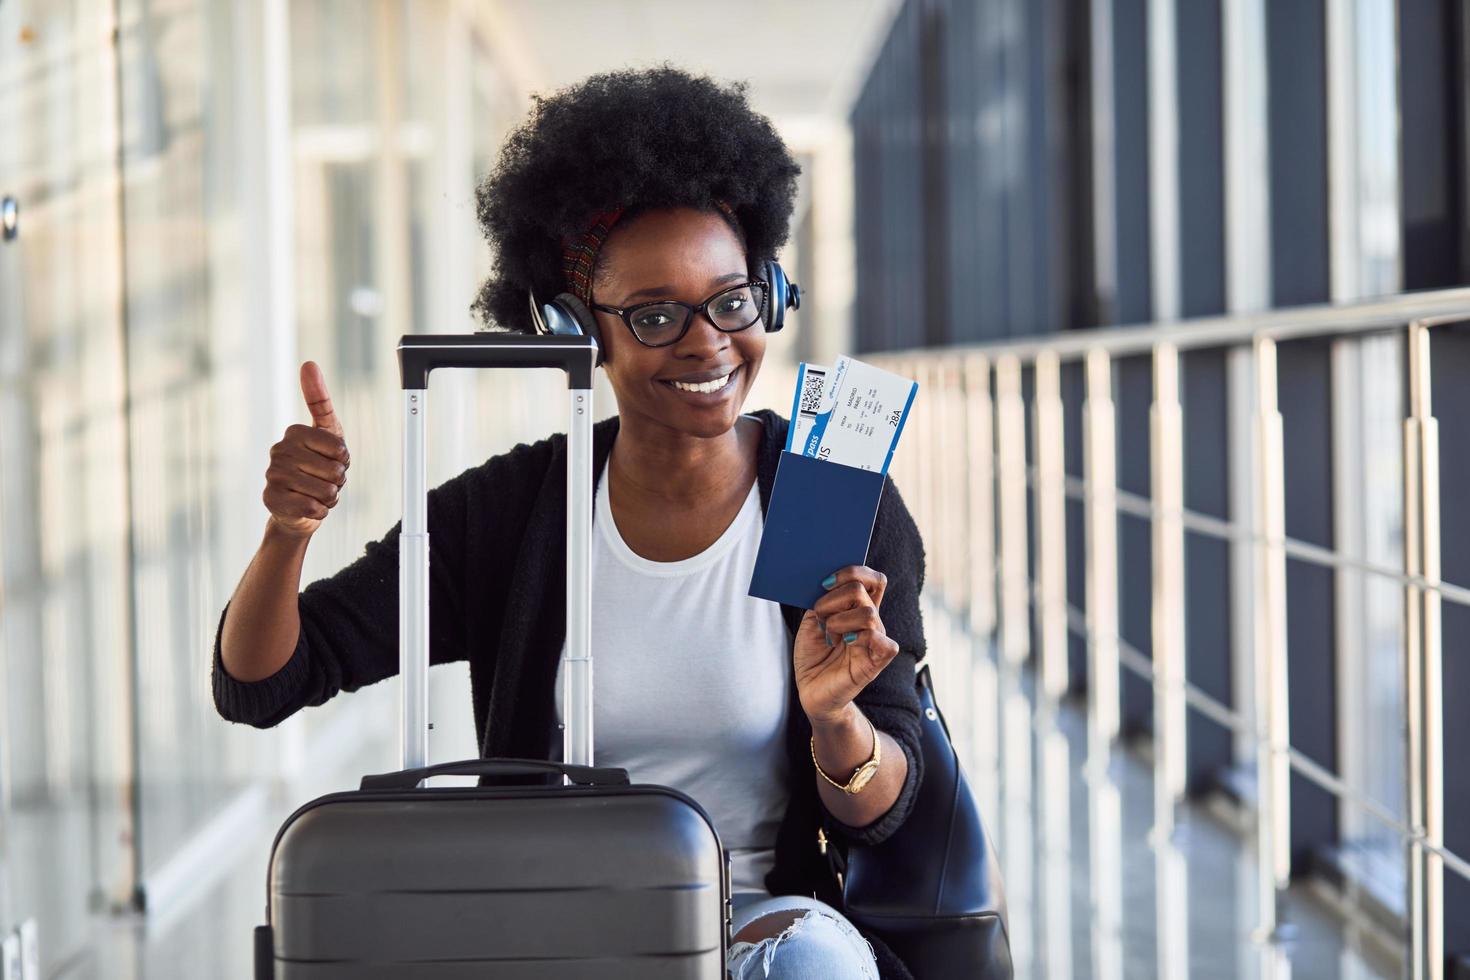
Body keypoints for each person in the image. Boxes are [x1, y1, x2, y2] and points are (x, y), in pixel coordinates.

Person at [213, 64, 929, 980]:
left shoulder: (829, 494)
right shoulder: (512, 515)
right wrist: (287, 534)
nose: (707, 341)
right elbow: (263, 681)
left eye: (733, 299)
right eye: (657, 314)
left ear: (772, 296)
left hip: (759, 931)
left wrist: (837, 721)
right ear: (572, 332)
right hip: (549, 930)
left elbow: (886, 805)